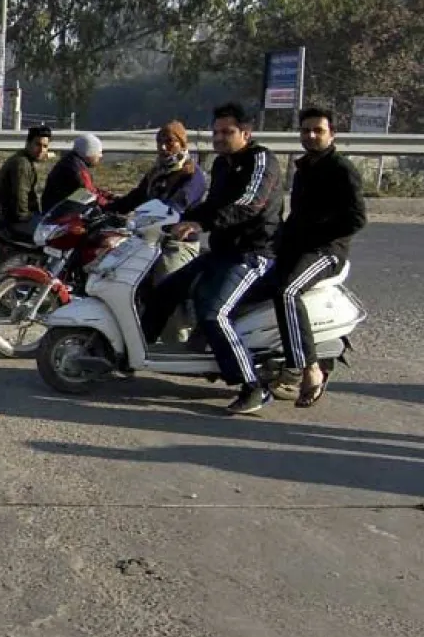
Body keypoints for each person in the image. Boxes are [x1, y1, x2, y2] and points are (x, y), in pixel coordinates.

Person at [142, 103, 282, 414]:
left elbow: (249, 205)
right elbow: (212, 204)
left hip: (252, 253)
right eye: (216, 131)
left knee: (214, 314)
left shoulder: (262, 160)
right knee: (165, 289)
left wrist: (200, 224)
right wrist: (172, 219)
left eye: (227, 132)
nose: (219, 137)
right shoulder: (221, 164)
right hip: (221, 250)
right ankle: (132, 357)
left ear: (245, 133)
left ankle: (253, 386)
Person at [259, 107, 367, 407]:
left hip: (326, 251)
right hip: (297, 248)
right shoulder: (305, 166)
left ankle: (308, 368)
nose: (311, 135)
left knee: (287, 291)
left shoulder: (341, 169)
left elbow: (357, 219)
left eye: (318, 130)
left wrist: (315, 236)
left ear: (331, 134)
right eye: (305, 130)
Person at [111, 121, 209, 342]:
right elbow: (135, 197)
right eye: (160, 142)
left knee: (167, 278)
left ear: (182, 143)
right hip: (149, 239)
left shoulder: (192, 174)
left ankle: (178, 340)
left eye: (170, 142)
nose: (164, 148)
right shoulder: (156, 172)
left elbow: (175, 207)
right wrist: (105, 208)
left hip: (178, 243)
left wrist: (144, 218)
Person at [0, 125, 53, 239]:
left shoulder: (25, 160)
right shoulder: (22, 164)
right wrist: (26, 217)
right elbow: (20, 195)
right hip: (16, 219)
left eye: (45, 146)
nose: (41, 150)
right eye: (37, 144)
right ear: (28, 143)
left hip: (14, 216)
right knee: (53, 235)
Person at [40, 133, 111, 212]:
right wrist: (112, 205)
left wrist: (109, 196)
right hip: (59, 217)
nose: (100, 156)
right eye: (99, 152)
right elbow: (90, 196)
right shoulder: (78, 170)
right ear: (89, 153)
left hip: (54, 211)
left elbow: (91, 191)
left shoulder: (71, 161)